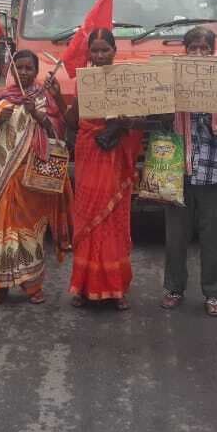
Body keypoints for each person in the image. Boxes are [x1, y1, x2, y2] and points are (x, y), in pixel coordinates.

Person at [160, 27, 217, 317]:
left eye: (204, 48)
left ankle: (215, 292)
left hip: (213, 172)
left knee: (215, 238)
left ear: (212, 52)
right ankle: (173, 287)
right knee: (175, 236)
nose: (197, 53)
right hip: (178, 171)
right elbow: (158, 120)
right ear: (184, 51)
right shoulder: (171, 81)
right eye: (192, 48)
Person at [0, 50, 73, 305]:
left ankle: (32, 285)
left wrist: (38, 114)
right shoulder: (1, 98)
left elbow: (60, 131)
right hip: (4, 174)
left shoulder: (45, 98)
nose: (23, 72)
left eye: (28, 68)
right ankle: (1, 286)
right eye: (19, 68)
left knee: (30, 232)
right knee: (2, 228)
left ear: (36, 71)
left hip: (32, 176)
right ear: (12, 70)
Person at [69, 28, 143, 310]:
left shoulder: (128, 81)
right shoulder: (83, 81)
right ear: (89, 53)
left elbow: (138, 121)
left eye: (105, 50)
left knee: (112, 218)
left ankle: (115, 287)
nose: (99, 56)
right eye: (95, 51)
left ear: (115, 52)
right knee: (88, 217)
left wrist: (126, 121)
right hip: (90, 151)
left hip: (116, 157)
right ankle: (83, 286)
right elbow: (74, 121)